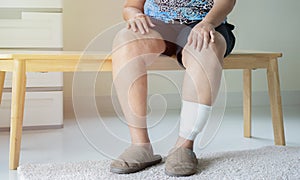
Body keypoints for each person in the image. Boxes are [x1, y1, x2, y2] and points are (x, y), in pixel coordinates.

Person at [110, 0, 236, 176]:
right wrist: (134, 15)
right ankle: (140, 146)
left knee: (207, 47)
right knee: (125, 40)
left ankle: (184, 146)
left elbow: (227, 2)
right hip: (155, 25)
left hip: (203, 23)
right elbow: (131, 6)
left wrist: (208, 23)